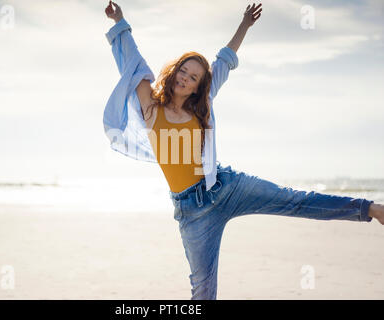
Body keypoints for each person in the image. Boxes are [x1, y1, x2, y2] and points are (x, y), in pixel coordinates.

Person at [103, 1, 384, 300]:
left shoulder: (203, 104)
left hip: (226, 187)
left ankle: (370, 209)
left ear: (199, 87)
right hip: (192, 212)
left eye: (193, 77)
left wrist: (244, 25)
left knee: (293, 200)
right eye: (183, 71)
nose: (185, 77)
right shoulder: (150, 107)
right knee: (203, 290)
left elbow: (223, 62)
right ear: (174, 72)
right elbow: (133, 61)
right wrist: (120, 22)